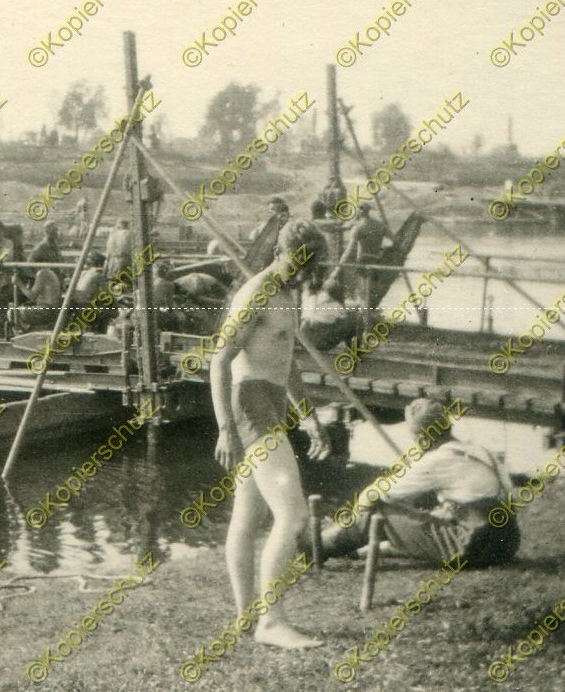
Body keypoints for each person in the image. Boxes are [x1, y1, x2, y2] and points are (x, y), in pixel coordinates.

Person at [210, 219, 332, 648]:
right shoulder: (257, 292)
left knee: (248, 516)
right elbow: (219, 361)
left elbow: (286, 358)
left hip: (272, 402)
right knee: (292, 514)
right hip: (250, 404)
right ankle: (271, 621)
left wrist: (309, 416)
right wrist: (226, 427)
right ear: (294, 256)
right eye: (312, 264)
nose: (314, 274)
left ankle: (246, 615)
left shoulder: (286, 293)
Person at [322, 398, 519, 567]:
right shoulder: (482, 451)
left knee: (375, 512)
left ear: (421, 437)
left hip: (473, 545)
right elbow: (507, 496)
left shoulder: (438, 459)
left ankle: (316, 546)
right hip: (506, 543)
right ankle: (359, 550)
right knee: (418, 517)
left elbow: (379, 494)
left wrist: (354, 513)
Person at [338, 203, 393, 306]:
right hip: (377, 260)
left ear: (360, 212)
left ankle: (364, 315)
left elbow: (349, 250)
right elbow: (393, 240)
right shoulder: (380, 225)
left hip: (363, 261)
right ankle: (368, 313)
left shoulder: (359, 227)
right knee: (371, 291)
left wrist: (339, 266)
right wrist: (382, 249)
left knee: (362, 293)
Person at [12, 266, 62, 331]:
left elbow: (32, 296)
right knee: (22, 306)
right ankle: (27, 329)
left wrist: (19, 283)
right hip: (50, 308)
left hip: (47, 309)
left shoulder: (42, 273)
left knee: (13, 312)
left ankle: (25, 331)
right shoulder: (48, 272)